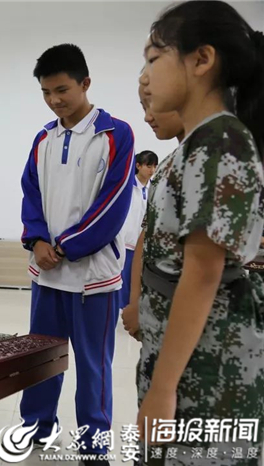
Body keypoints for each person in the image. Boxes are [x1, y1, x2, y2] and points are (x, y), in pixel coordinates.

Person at [136, 2, 264, 463]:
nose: (145, 76)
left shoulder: (221, 142)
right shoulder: (196, 145)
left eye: (154, 58)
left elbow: (203, 272)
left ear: (201, 60)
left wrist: (164, 388)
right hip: (184, 353)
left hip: (212, 366)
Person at [19, 43, 135, 465]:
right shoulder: (43, 138)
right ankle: (36, 427)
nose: (54, 100)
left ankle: (93, 441)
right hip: (46, 274)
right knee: (41, 359)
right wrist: (37, 241)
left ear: (86, 83)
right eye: (47, 92)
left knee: (93, 365)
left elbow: (114, 202)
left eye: (62, 90)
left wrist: (65, 245)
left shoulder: (115, 134)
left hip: (94, 277)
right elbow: (30, 194)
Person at [121, 82, 185, 340]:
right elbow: (146, 235)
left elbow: (206, 269)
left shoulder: (218, 159)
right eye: (143, 106)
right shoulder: (169, 167)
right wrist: (137, 302)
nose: (148, 116)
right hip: (157, 309)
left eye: (154, 105)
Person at [119, 150, 158, 310]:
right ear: (138, 165)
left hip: (142, 247)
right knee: (121, 285)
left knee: (137, 286)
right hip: (124, 244)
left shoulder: (154, 189)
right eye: (149, 166)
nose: (152, 170)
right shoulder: (125, 186)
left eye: (155, 166)